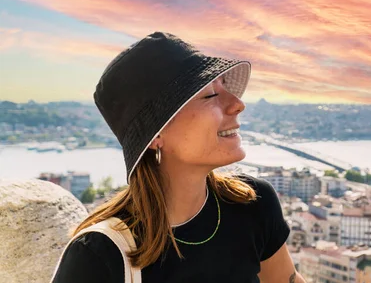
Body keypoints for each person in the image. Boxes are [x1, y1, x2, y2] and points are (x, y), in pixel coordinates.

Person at [51, 32, 306, 282]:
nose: (238, 104)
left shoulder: (253, 204)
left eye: (224, 87)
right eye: (210, 95)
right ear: (155, 135)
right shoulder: (98, 256)